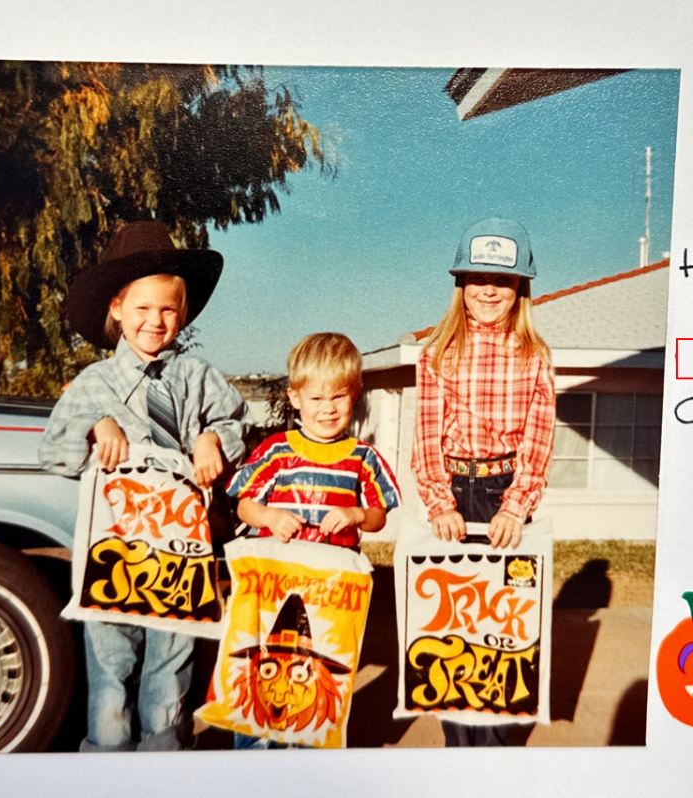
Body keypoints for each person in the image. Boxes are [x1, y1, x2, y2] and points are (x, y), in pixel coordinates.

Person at [39, 221, 249, 752]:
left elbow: (236, 425)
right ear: (116, 309)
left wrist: (210, 439)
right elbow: (55, 452)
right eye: (143, 309)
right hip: (115, 548)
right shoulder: (93, 383)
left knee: (172, 660)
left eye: (168, 311)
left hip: (180, 549)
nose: (155, 322)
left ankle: (165, 753)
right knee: (111, 661)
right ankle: (108, 759)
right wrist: (93, 426)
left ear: (183, 314)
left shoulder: (198, 375)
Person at [411, 217, 556, 747]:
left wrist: (516, 506)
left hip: (504, 497)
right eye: (477, 278)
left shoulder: (535, 356)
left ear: (521, 288)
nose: (489, 290)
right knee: (452, 630)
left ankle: (494, 754)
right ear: (461, 286)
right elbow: (426, 435)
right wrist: (438, 502)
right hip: (454, 493)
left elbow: (538, 440)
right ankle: (459, 747)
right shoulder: (437, 353)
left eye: (502, 280)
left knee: (502, 633)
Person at [227, 332, 401, 749]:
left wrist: (357, 514)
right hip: (272, 584)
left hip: (332, 590)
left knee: (318, 675)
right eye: (317, 398)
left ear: (354, 395)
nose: (328, 409)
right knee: (261, 668)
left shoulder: (363, 457)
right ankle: (250, 761)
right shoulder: (276, 451)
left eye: (338, 397)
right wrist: (268, 515)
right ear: (295, 397)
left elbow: (379, 516)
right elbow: (244, 506)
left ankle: (310, 764)